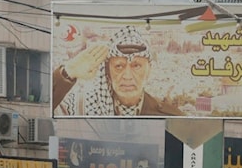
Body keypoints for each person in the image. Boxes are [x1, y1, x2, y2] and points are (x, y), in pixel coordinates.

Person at [53, 25, 182, 117]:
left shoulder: (170, 116)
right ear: (108, 73)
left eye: (136, 66)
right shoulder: (79, 107)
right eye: (119, 66)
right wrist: (68, 71)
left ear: (148, 71)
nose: (127, 76)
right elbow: (44, 111)